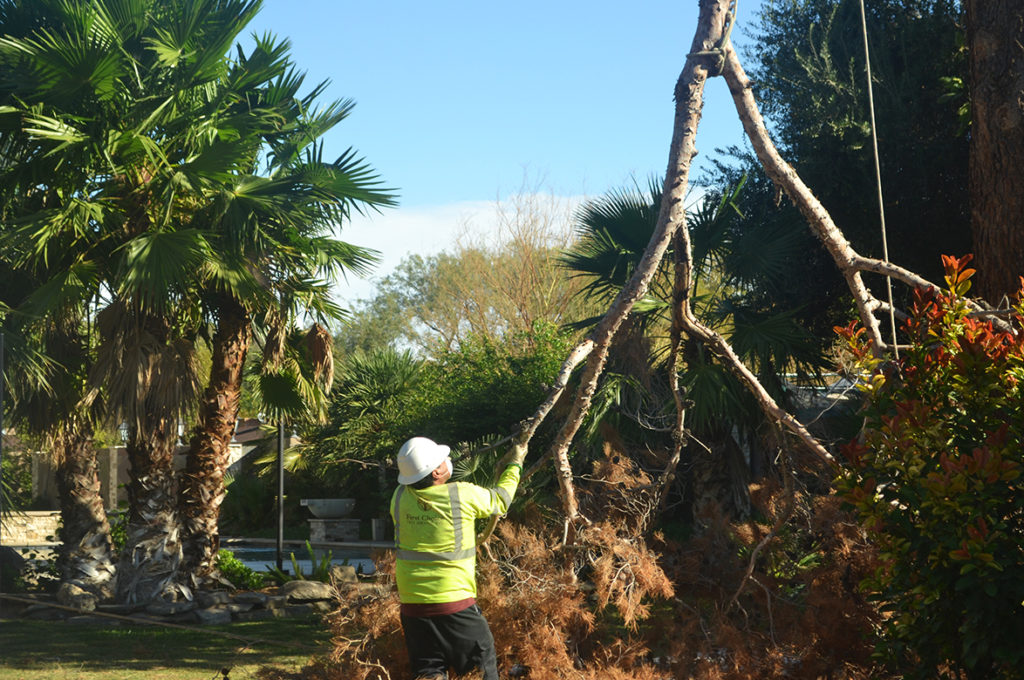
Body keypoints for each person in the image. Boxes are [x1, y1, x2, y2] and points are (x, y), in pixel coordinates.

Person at [390, 435, 527, 680]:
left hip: (413, 608)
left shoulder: (399, 498)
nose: (447, 460)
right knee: (480, 673)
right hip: (454, 606)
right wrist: (515, 464)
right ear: (435, 473)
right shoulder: (462, 495)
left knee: (429, 674)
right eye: (442, 460)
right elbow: (501, 499)